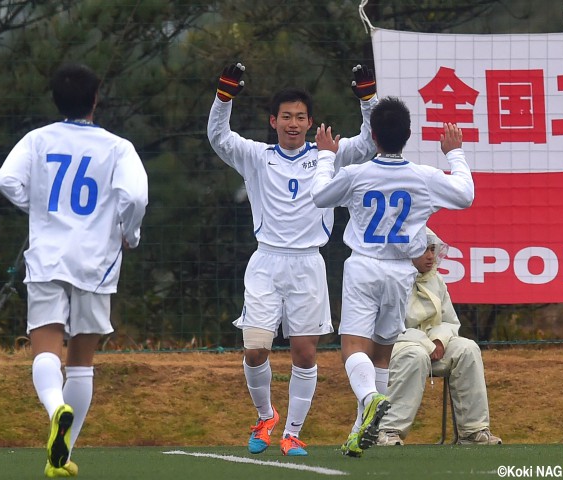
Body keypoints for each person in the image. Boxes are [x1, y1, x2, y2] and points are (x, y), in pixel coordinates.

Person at [207, 62, 378, 456]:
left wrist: (367, 97)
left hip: (308, 264)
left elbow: (368, 142)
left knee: (305, 352)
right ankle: (266, 416)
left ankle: (293, 432)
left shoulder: (328, 155)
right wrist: (224, 96)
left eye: (301, 117)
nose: (293, 123)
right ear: (273, 120)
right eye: (286, 116)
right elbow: (218, 136)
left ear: (310, 121)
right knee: (255, 348)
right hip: (266, 262)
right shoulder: (255, 156)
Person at [0, 63, 148, 477]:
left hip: (48, 256)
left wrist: (40, 208)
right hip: (95, 263)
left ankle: (52, 408)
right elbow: (135, 196)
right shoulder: (119, 147)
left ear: (56, 101)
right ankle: (61, 454)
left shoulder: (37, 139)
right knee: (81, 363)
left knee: (45, 347)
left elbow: (5, 180)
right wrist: (127, 233)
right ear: (95, 100)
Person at [311, 96, 474, 457]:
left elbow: (320, 196)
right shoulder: (424, 176)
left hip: (365, 266)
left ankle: (370, 399)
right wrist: (455, 153)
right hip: (402, 273)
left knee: (354, 348)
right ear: (408, 135)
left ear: (373, 135)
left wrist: (326, 155)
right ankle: (359, 433)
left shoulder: (356, 174)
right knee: (382, 354)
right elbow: (465, 196)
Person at [376, 228, 502, 446]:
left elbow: (450, 321)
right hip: (394, 348)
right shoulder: (388, 280)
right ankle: (388, 431)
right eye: (424, 249)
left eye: (432, 249)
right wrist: (426, 344)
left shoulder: (436, 280)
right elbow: (389, 327)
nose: (430, 255)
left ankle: (473, 431)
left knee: (468, 349)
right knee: (415, 356)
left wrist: (438, 341)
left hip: (434, 346)